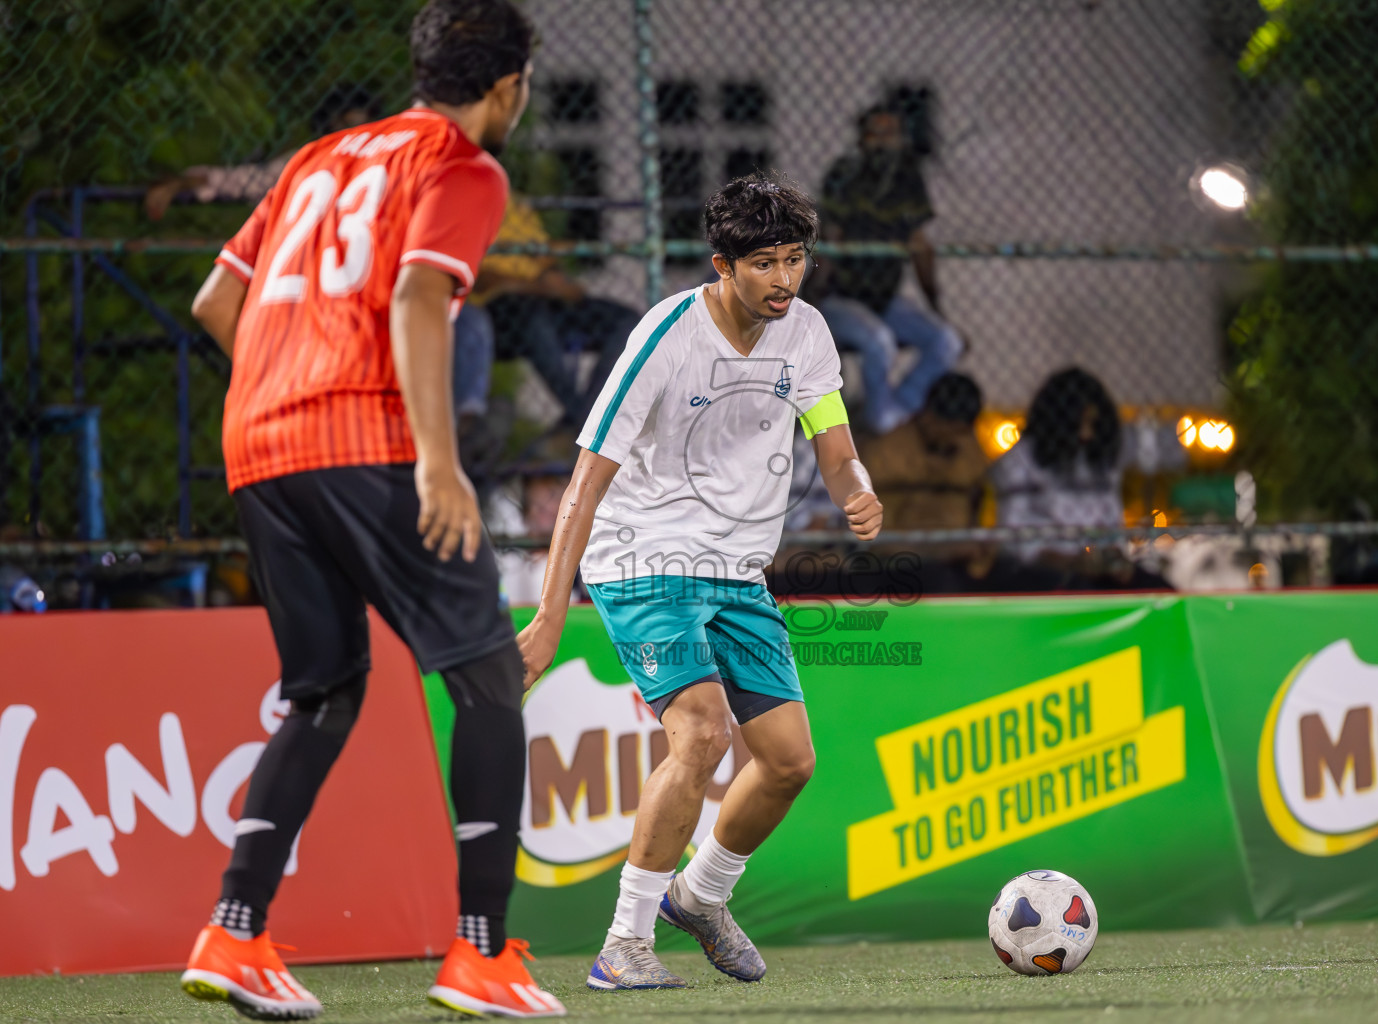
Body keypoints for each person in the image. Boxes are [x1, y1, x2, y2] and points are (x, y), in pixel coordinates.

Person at [182, 1, 564, 1018]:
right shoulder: (464, 167)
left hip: (260, 446)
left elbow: (216, 306)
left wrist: (290, 395)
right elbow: (413, 300)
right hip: (370, 447)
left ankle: (236, 929)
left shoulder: (318, 157)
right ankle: (484, 951)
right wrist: (440, 463)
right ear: (507, 85)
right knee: (487, 674)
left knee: (322, 693)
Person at [516, 174, 883, 990]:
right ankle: (624, 944)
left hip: (735, 568)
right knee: (704, 733)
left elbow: (832, 439)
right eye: (764, 263)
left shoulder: (809, 333)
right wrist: (548, 614)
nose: (784, 279)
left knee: (789, 762)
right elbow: (586, 480)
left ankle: (702, 893)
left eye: (796, 259)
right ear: (724, 265)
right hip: (641, 557)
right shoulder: (666, 336)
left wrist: (854, 486)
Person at [819, 105, 962, 434]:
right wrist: (811, 304)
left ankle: (895, 417)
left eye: (890, 134)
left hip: (884, 300)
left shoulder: (907, 180)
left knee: (946, 341)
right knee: (878, 341)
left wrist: (937, 309)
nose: (883, 143)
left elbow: (918, 244)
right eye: (875, 134)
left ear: (901, 140)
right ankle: (878, 425)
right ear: (861, 140)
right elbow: (831, 238)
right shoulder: (845, 175)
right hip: (839, 299)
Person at [452, 194, 641, 432]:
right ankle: (585, 423)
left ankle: (586, 415)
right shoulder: (458, 206)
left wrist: (557, 277)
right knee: (532, 316)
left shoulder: (512, 202)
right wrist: (540, 285)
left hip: (546, 300)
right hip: (499, 308)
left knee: (628, 322)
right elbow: (475, 280)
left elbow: (543, 255)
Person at [991, 367, 1163, 591]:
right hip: (1041, 570)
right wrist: (1068, 560)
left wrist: (1113, 557)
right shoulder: (1021, 460)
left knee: (1158, 587)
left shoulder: (1097, 460)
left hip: (1094, 565)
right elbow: (1014, 538)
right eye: (1079, 424)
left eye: (1093, 424)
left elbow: (1112, 524)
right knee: (1076, 586)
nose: (1087, 435)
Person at [144, 84, 382, 221]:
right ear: (329, 126)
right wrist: (178, 184)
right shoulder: (304, 162)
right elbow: (235, 179)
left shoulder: (386, 162)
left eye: (363, 129)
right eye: (346, 127)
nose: (353, 138)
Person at [857, 371, 992, 591]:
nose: (956, 439)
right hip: (898, 558)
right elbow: (879, 539)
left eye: (963, 432)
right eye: (950, 430)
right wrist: (938, 551)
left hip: (956, 553)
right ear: (929, 417)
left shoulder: (969, 449)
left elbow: (975, 509)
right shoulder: (886, 452)